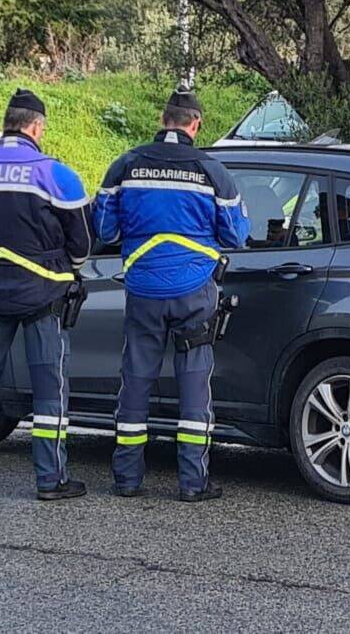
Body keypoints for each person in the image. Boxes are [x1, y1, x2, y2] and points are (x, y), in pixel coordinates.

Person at [95, 87, 248, 502]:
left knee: (136, 382)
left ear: (163, 120)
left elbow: (104, 230)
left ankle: (127, 480)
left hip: (142, 288)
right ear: (195, 124)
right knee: (195, 383)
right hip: (194, 290)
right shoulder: (211, 169)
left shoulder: (126, 165)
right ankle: (192, 483)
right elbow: (236, 234)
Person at [0, 88, 93, 500]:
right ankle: (51, 479)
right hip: (42, 297)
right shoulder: (55, 174)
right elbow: (81, 243)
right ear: (35, 127)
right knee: (49, 389)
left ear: (7, 123)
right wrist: (67, 268)